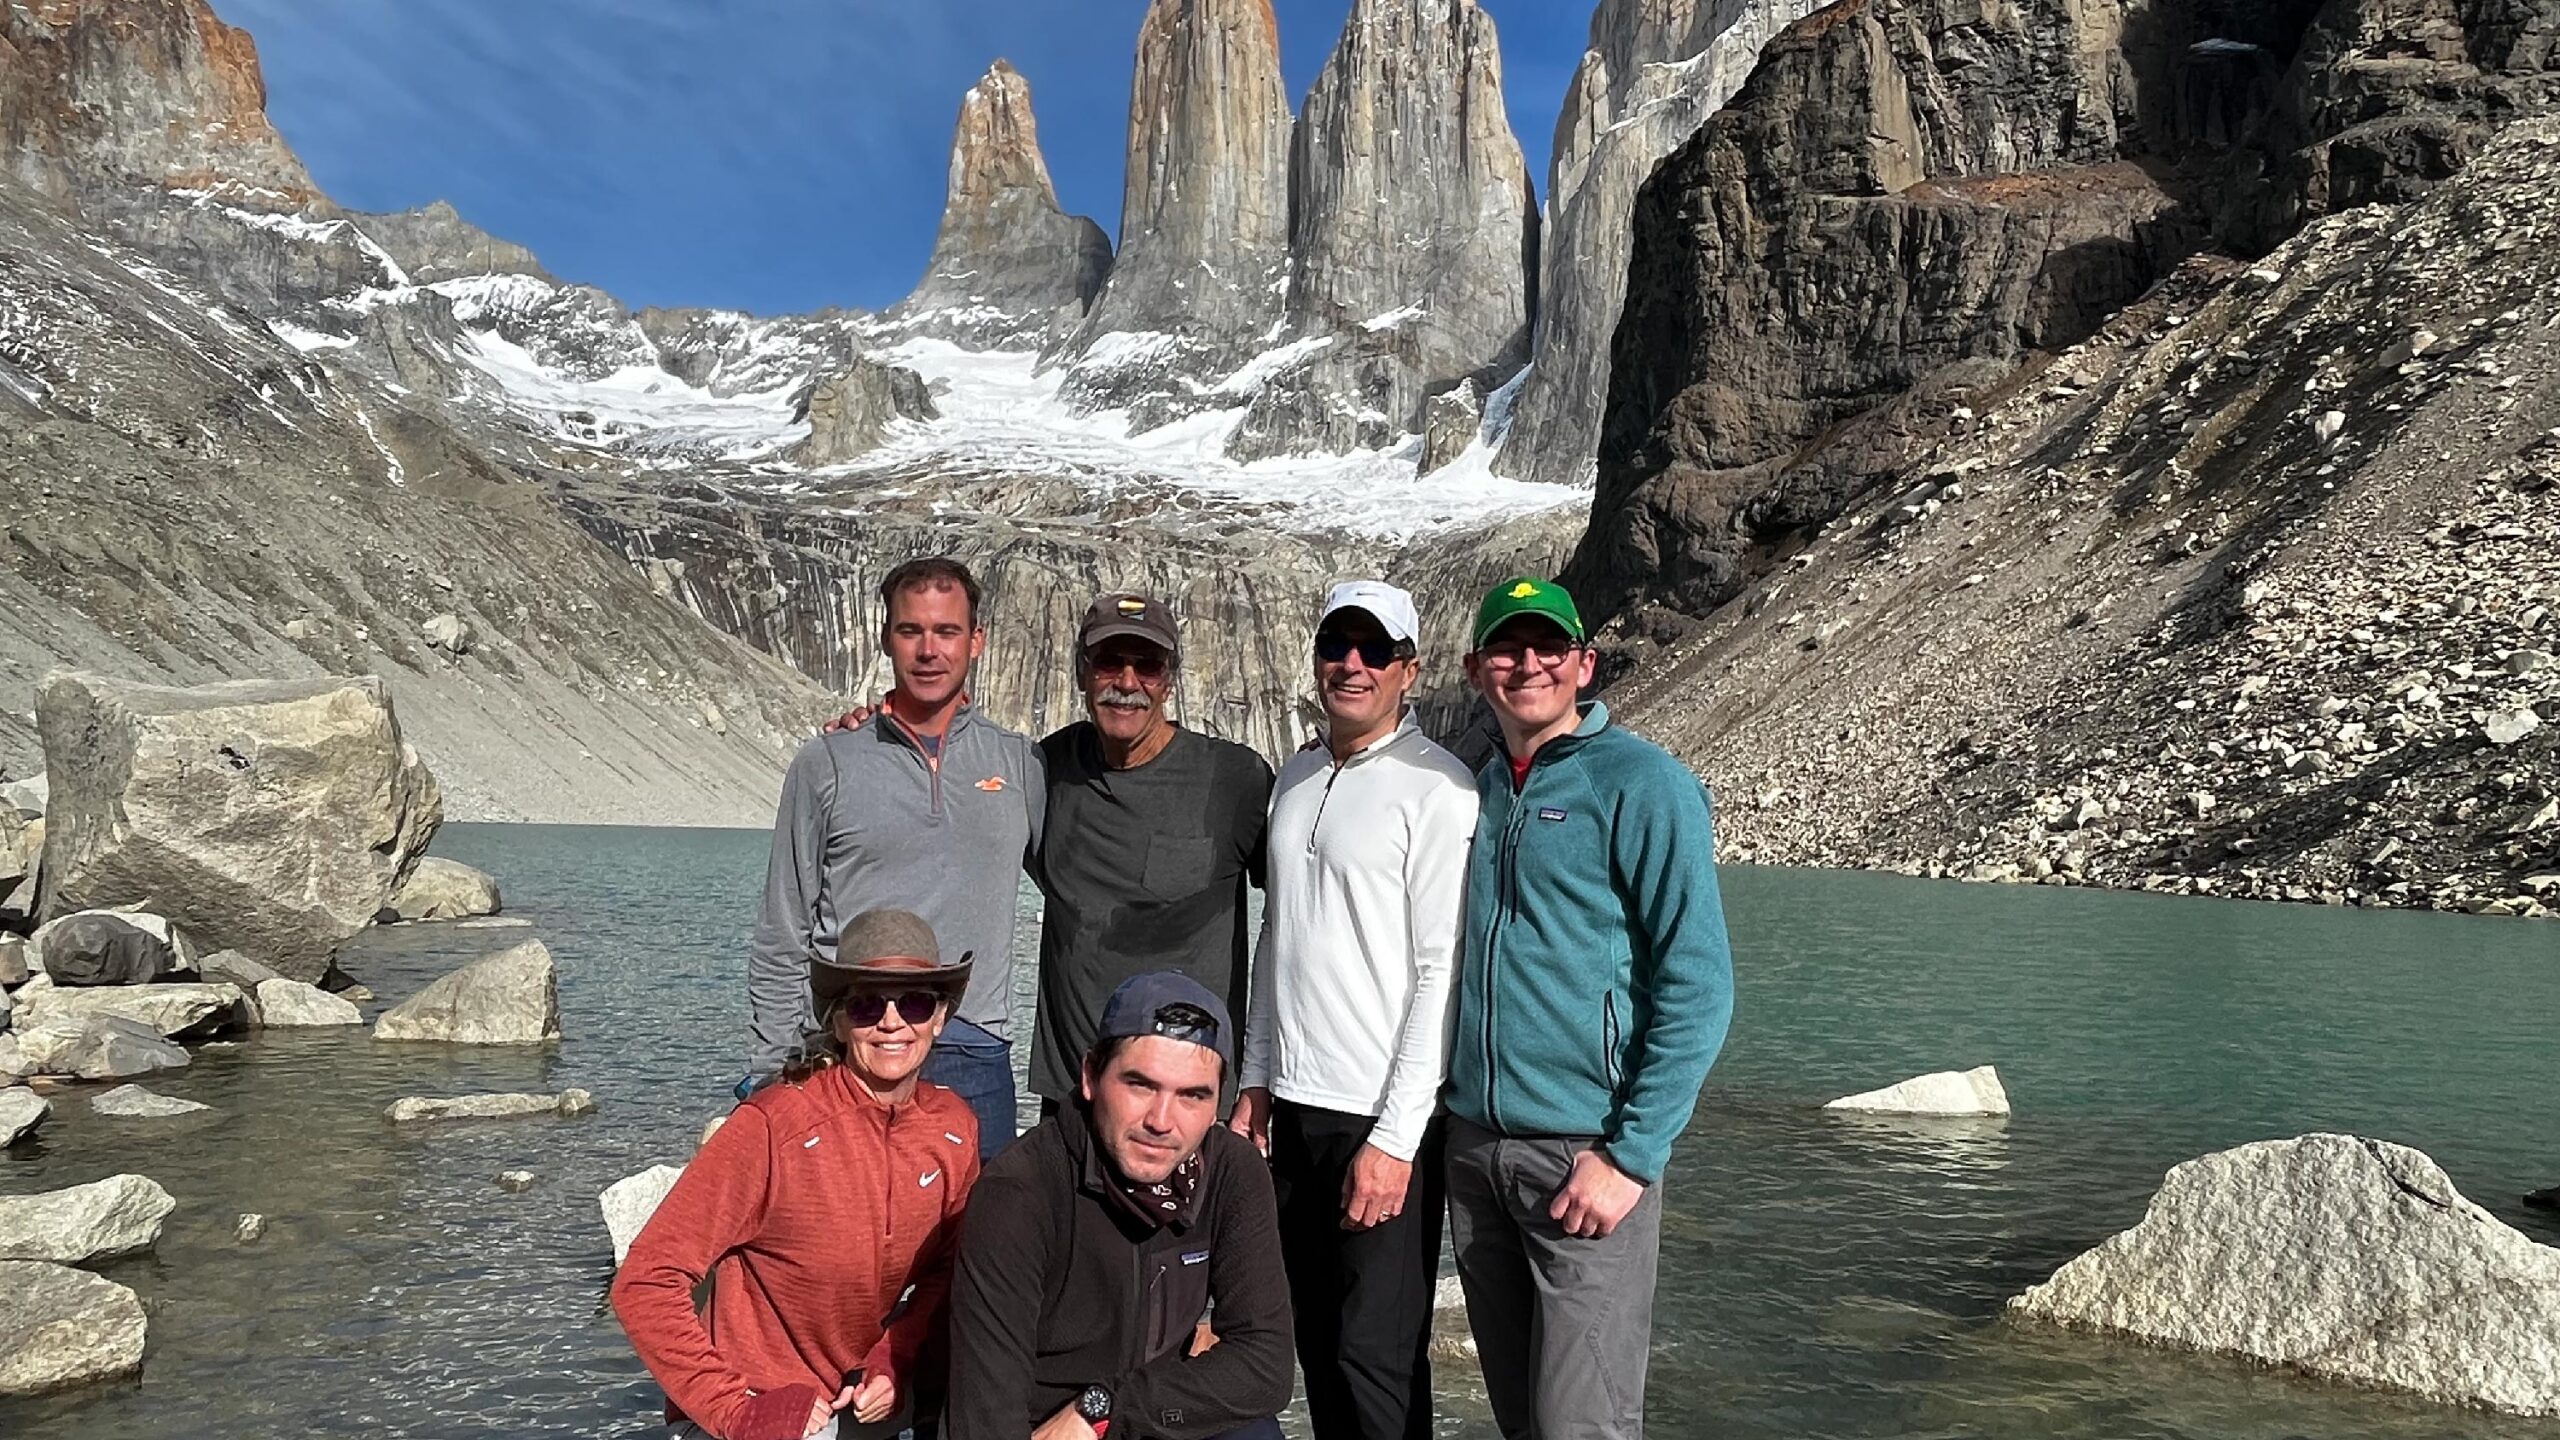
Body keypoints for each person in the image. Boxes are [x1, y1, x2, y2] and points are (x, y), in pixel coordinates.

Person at [1443, 576, 1735, 1440]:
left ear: (1584, 664)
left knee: (1586, 1424)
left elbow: (1699, 982)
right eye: (1506, 647)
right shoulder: (1468, 786)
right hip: (1474, 1154)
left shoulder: (1644, 785)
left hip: (1586, 1158)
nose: (1527, 663)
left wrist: (1633, 1154)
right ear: (1475, 668)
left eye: (1547, 647)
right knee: (1523, 1421)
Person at [1230, 581, 1476, 1440]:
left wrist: (1397, 1138)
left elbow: (1440, 972)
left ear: (1411, 669)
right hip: (1293, 1112)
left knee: (1378, 1361)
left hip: (1378, 1122)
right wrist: (1257, 1079)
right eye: (1338, 644)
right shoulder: (1297, 775)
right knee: (1318, 1344)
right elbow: (1278, 941)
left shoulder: (1440, 791)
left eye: (1376, 650)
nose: (1353, 664)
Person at [619, 909, 983, 1440]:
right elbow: (646, 1281)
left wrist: (897, 1355)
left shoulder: (954, 1129)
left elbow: (952, 1273)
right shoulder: (772, 1127)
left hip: (864, 1404)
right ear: (836, 1021)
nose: (891, 1022)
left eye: (915, 1003)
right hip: (758, 1410)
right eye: (865, 1005)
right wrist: (734, 1409)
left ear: (940, 1018)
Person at [746, 557, 1044, 1159]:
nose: (929, 650)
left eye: (947, 631)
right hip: (853, 1043)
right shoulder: (827, 762)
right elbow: (784, 928)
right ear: (887, 638)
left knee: (978, 1245)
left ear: (977, 641)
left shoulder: (1019, 764)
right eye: (911, 631)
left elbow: (1077, 888)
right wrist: (770, 1074)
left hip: (975, 1051)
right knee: (845, 1243)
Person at [946, 972, 1292, 1440]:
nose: (1161, 1121)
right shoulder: (1019, 1193)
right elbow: (984, 1417)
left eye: (1193, 1095)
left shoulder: (1233, 1173)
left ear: (1218, 1107)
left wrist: (1103, 1408)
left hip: (1135, 1414)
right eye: (1140, 1085)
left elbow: (1267, 1367)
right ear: (1090, 1077)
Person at [1026, 593, 1271, 1113]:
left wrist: (1262, 1078)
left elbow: (1306, 917)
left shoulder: (1235, 781)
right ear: (1081, 672)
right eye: (1109, 662)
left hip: (1186, 1107)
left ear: (1170, 678)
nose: (1128, 682)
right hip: (1072, 1101)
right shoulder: (1046, 770)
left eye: (1149, 666)